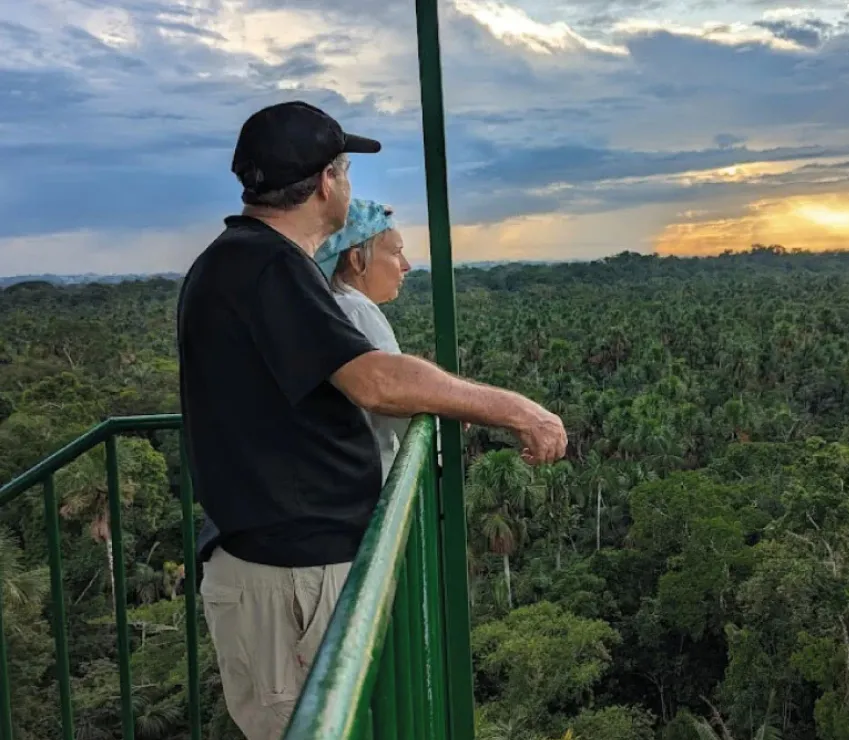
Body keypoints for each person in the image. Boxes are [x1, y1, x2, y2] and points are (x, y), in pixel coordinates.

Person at [177, 100, 566, 740]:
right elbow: (376, 380)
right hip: (290, 576)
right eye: (346, 171)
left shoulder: (251, 261)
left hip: (289, 566)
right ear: (328, 182)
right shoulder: (266, 264)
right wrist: (515, 409)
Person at [313, 197, 412, 482]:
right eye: (396, 253)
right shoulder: (354, 308)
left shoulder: (327, 304)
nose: (405, 265)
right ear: (356, 260)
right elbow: (396, 391)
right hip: (363, 492)